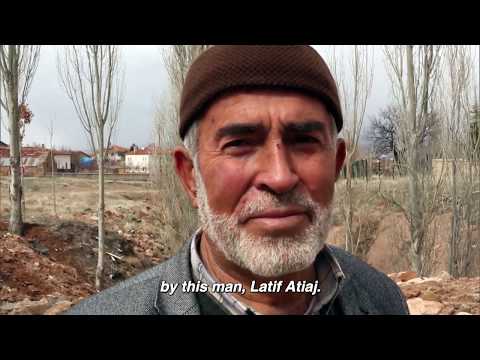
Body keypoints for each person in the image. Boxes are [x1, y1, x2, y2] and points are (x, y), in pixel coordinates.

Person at [66, 45, 409, 315]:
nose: (279, 177)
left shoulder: (382, 299)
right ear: (190, 177)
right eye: (240, 145)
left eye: (304, 141)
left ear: (335, 164)